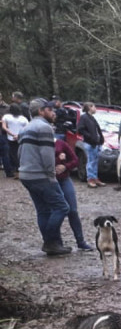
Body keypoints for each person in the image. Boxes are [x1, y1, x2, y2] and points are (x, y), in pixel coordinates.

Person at [18, 98, 71, 256]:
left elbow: (19, 153)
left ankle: (52, 244)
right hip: (40, 176)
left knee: (43, 210)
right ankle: (49, 242)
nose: (53, 112)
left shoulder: (25, 129)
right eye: (49, 109)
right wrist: (51, 175)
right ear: (41, 111)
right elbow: (47, 155)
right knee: (62, 207)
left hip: (26, 175)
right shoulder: (44, 128)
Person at [54, 121, 94, 251]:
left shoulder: (60, 143)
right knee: (57, 211)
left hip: (64, 179)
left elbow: (75, 160)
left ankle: (80, 241)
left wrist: (65, 165)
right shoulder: (41, 146)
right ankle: (56, 242)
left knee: (73, 210)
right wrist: (56, 160)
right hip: (50, 181)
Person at [75, 101, 104, 186]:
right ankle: (90, 179)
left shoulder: (92, 118)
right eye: (94, 107)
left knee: (95, 161)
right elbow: (80, 129)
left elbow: (97, 130)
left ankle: (95, 178)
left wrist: (101, 139)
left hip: (96, 143)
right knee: (91, 161)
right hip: (90, 143)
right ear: (89, 108)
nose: (95, 109)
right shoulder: (84, 118)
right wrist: (90, 137)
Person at [2, 103, 25, 177]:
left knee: (13, 155)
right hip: (21, 138)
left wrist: (12, 134)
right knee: (21, 154)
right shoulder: (23, 118)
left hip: (10, 139)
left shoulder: (6, 116)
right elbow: (27, 128)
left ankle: (16, 171)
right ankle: (21, 171)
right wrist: (18, 135)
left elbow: (4, 127)